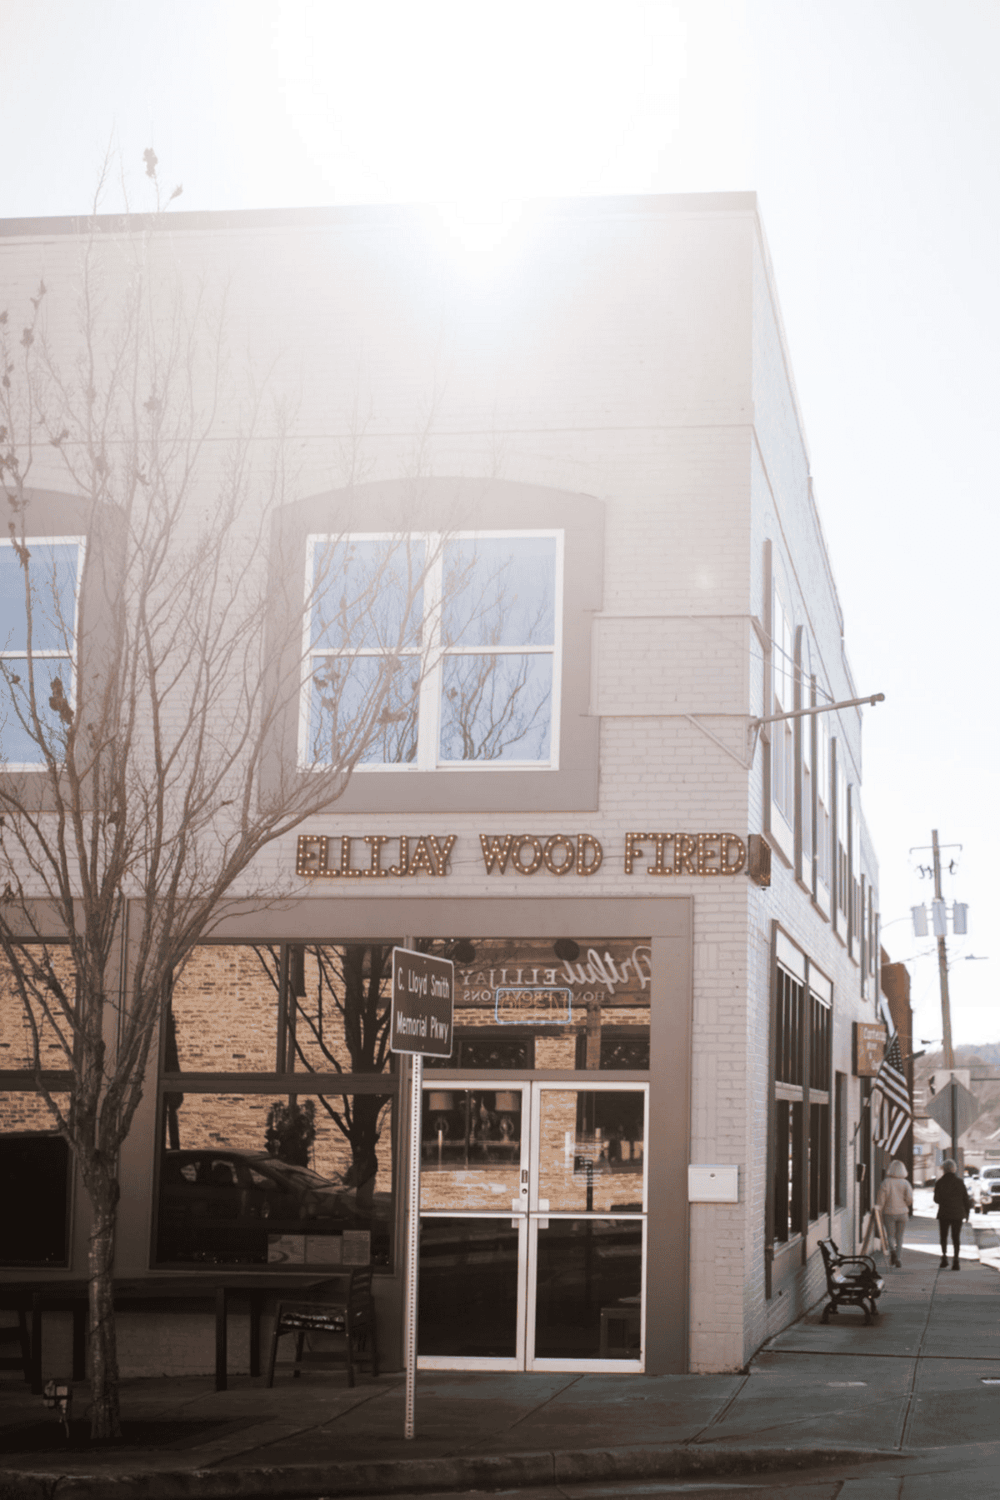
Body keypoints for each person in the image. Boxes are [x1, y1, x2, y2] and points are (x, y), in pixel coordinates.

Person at [933, 1158, 972, 1269]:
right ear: (954, 1169)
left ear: (944, 1169)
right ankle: (956, 1260)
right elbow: (966, 1199)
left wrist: (945, 1201)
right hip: (957, 1214)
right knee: (956, 1237)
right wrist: (967, 1213)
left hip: (944, 1213)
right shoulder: (960, 1182)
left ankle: (944, 1257)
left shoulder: (939, 1182)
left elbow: (936, 1199)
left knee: (943, 1236)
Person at [876, 1159, 913, 1267]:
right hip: (903, 1213)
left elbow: (881, 1200)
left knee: (890, 1236)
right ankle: (898, 1257)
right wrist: (905, 1204)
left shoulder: (886, 1182)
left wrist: (879, 1211)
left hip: (889, 1213)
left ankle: (892, 1252)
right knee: (900, 1237)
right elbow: (910, 1199)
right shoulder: (906, 1183)